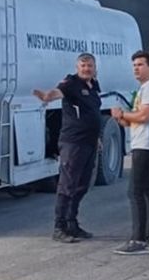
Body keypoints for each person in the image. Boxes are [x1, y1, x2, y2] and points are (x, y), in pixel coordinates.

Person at [33, 53, 101, 243]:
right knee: (67, 185)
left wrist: (97, 138)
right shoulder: (71, 83)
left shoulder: (94, 85)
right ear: (77, 68)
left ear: (95, 68)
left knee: (83, 185)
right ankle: (59, 227)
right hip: (73, 143)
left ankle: (72, 223)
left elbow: (92, 112)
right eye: (83, 66)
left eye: (90, 65)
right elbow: (58, 92)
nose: (86, 69)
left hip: (89, 142)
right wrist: (47, 96)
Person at [111, 51, 149, 255]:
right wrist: (121, 118)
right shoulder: (145, 88)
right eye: (134, 65)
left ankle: (139, 239)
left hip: (146, 145)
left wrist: (123, 113)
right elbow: (135, 120)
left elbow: (144, 116)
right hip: (148, 144)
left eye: (141, 64)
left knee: (136, 192)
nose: (136, 68)